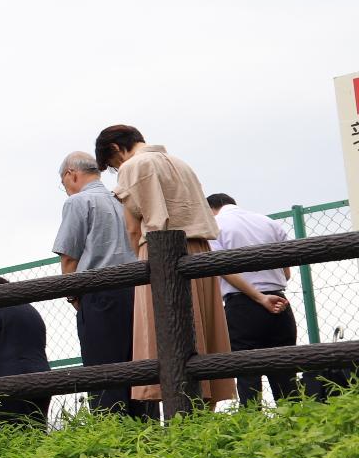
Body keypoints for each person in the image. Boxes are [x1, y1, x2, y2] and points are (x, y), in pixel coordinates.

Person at [94, 125, 234, 406]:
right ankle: (207, 418)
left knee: (164, 342)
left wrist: (142, 265)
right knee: (204, 337)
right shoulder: (181, 163)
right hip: (201, 252)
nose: (115, 167)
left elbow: (134, 228)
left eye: (111, 163)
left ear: (114, 149)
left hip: (160, 254)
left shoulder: (133, 165)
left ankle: (179, 423)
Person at [52, 151, 153, 420]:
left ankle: (113, 439)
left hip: (99, 294)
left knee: (104, 373)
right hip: (139, 293)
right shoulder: (122, 198)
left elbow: (69, 257)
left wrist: (75, 297)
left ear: (71, 174)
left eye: (63, 184)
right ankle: (150, 433)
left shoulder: (78, 202)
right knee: (142, 368)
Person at [207, 194, 298, 405]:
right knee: (285, 372)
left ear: (210, 209)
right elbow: (286, 273)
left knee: (247, 372)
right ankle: (294, 426)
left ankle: (252, 426)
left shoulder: (214, 225)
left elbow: (223, 268)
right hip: (280, 301)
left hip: (242, 305)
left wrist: (257, 296)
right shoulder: (268, 222)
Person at [0, 276, 52, 428]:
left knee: (14, 431)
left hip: (10, 380)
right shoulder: (31, 309)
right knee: (38, 429)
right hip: (43, 377)